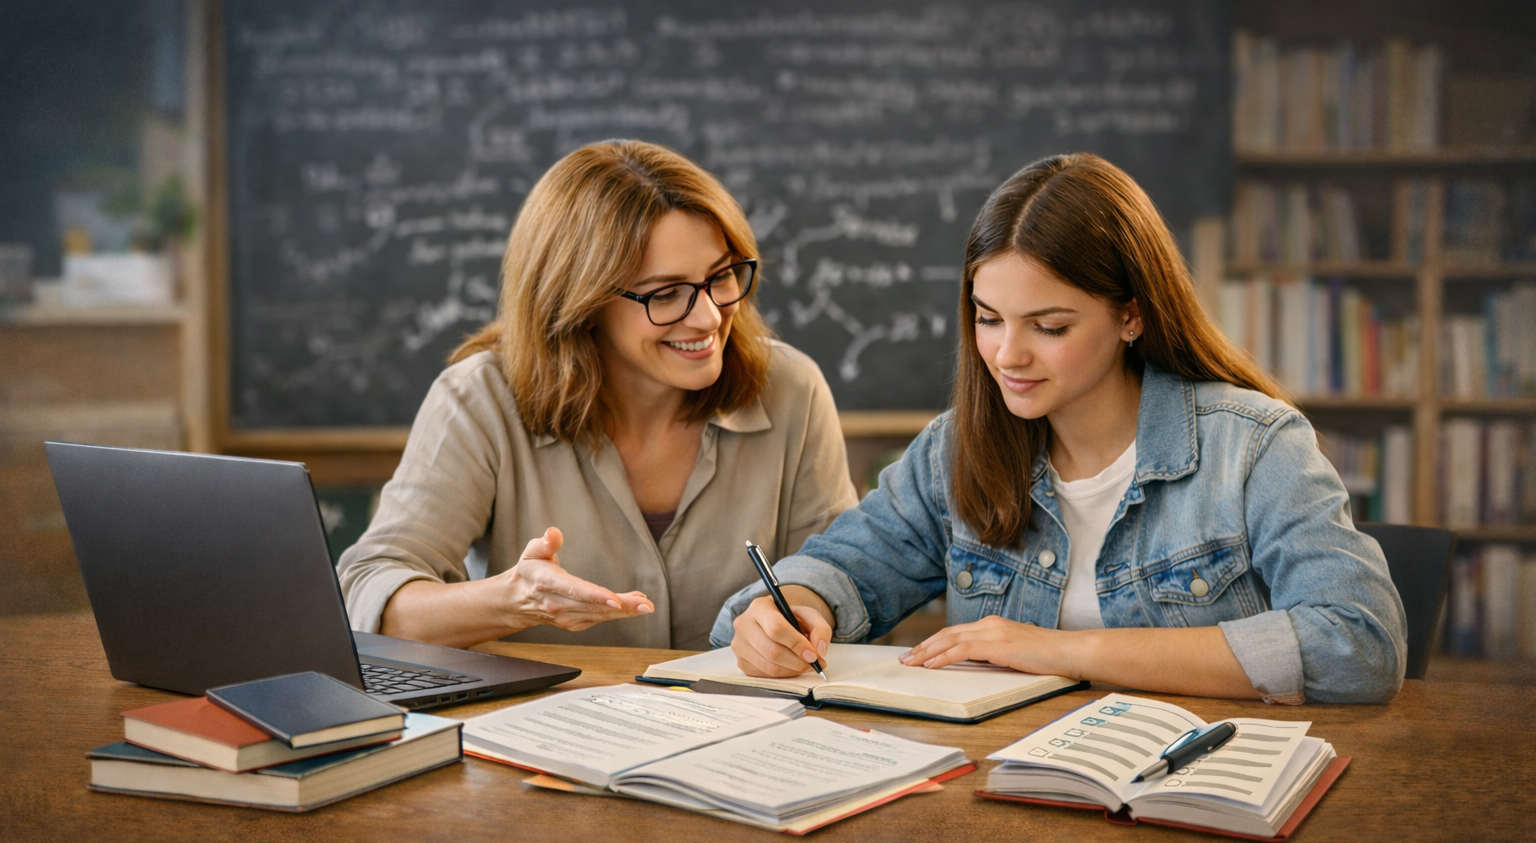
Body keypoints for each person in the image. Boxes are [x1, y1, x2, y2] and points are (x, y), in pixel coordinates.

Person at [718, 153, 1406, 704]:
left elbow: (1358, 645)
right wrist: (796, 607)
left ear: (1130, 316)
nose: (1007, 356)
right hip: (1008, 796)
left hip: (1199, 793)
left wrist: (1063, 652)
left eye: (1049, 327)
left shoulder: (1254, 447)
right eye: (988, 319)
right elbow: (847, 568)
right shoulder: (953, 449)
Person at [338, 140, 857, 651]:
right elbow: (369, 595)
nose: (709, 317)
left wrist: (801, 613)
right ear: (582, 302)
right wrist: (512, 601)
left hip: (748, 727)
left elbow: (835, 571)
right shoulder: (479, 398)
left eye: (720, 276)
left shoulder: (792, 388)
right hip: (542, 729)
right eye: (665, 293)